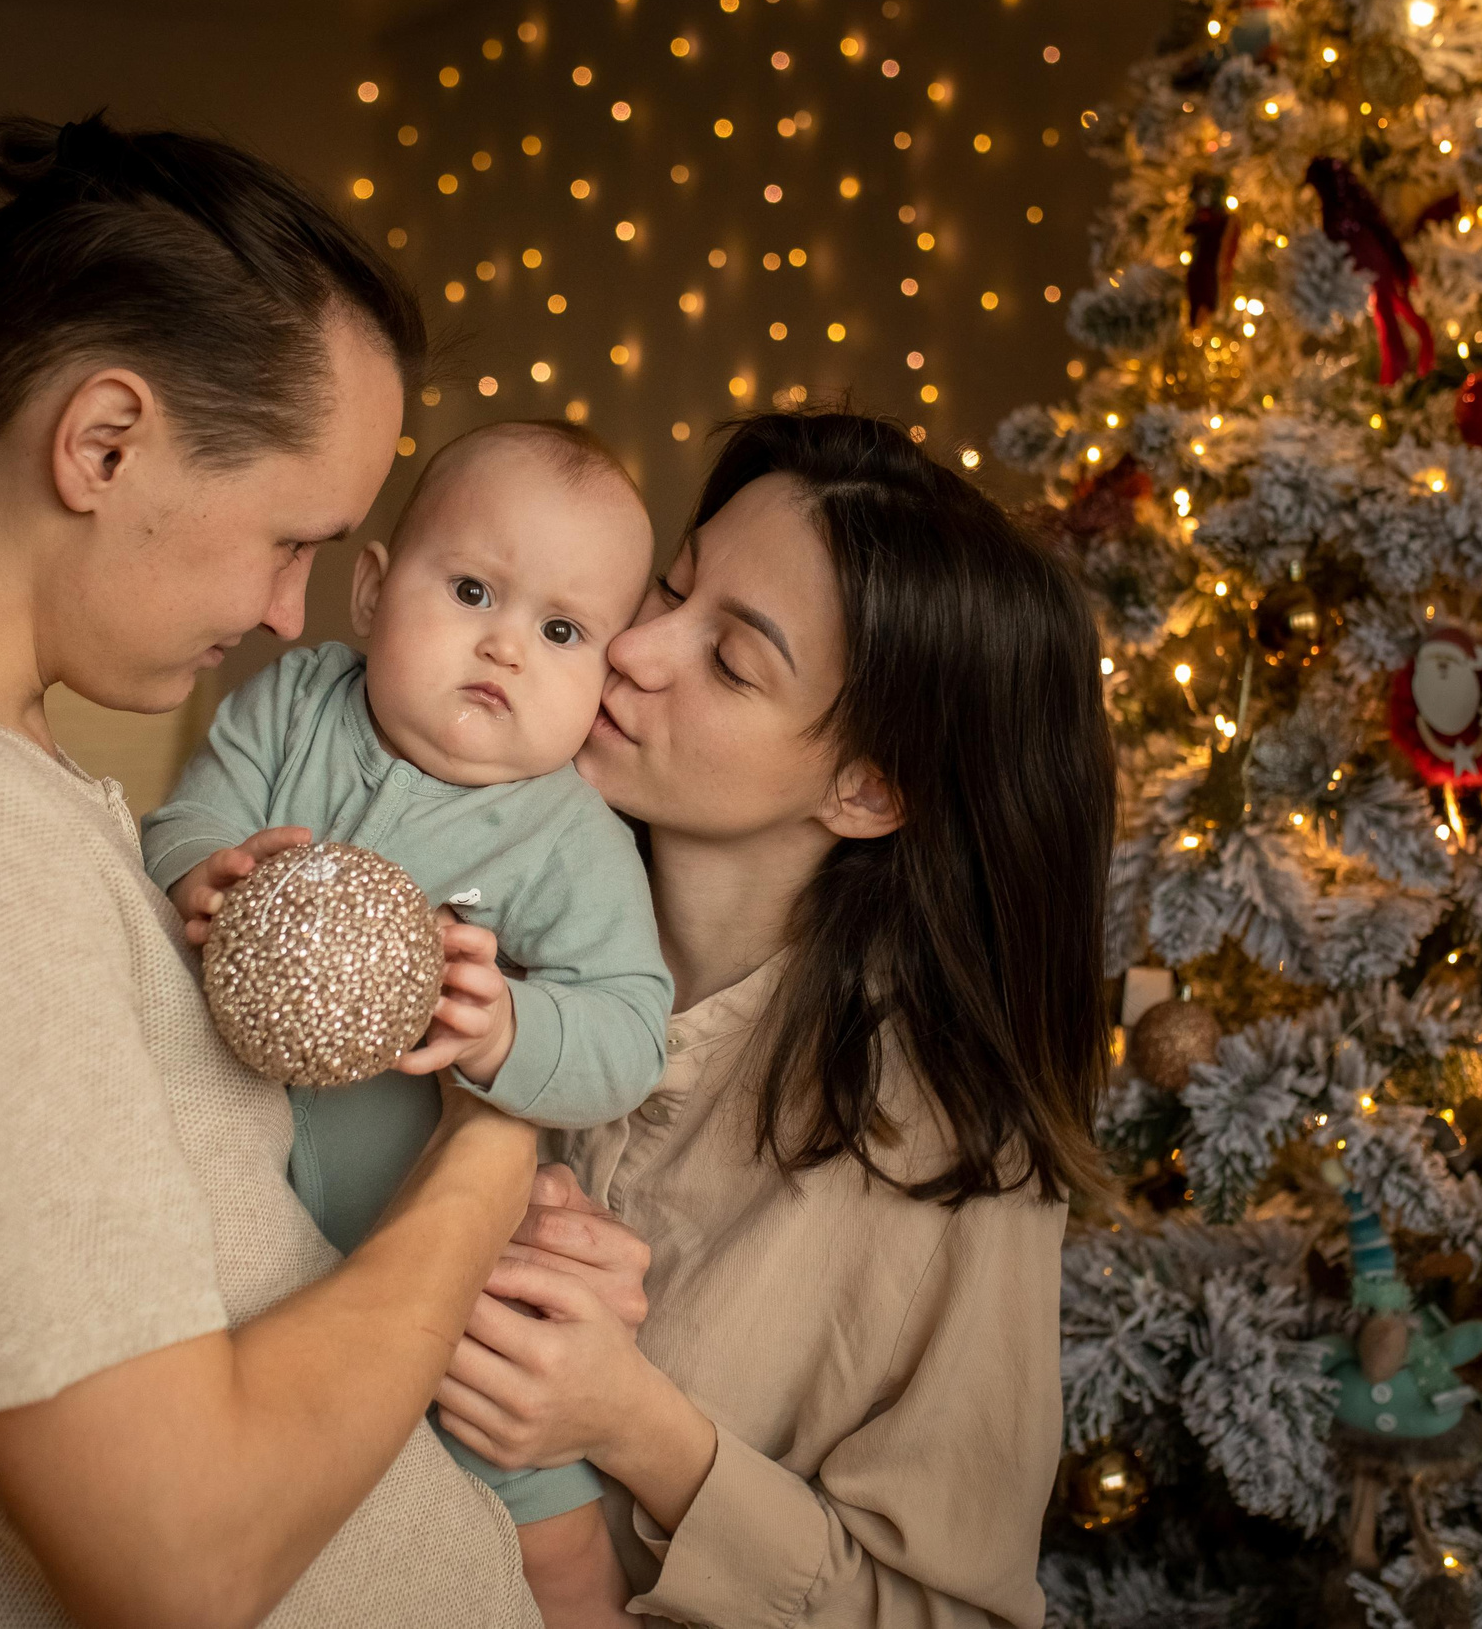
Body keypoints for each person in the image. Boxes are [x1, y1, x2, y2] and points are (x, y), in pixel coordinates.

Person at [0, 114, 546, 1629]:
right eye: (291, 538)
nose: (290, 613)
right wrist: (491, 1154)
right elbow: (179, 1555)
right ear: (103, 440)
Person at [437, 411, 1115, 1627]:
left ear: (864, 788)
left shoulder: (952, 1160)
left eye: (732, 661)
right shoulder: (460, 895)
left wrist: (635, 1428)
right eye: (672, 585)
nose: (634, 647)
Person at [142, 420, 672, 1622]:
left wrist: (505, 1030)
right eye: (472, 590)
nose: (504, 645)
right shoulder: (296, 704)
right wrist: (202, 872)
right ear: (375, 592)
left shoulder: (567, 835)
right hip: (241, 1251)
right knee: (294, 1530)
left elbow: (631, 1030)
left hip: (458, 1284)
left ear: (602, 677)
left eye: (562, 632)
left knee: (554, 1555)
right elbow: (186, 818)